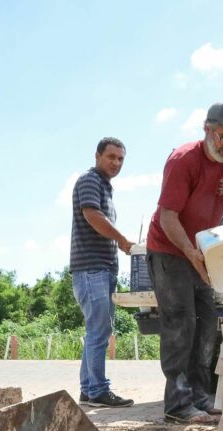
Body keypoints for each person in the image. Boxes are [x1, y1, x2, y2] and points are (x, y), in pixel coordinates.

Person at [146, 101, 223, 424]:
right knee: (181, 321)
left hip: (204, 249)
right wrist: (191, 253)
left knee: (206, 322)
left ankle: (200, 396)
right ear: (207, 129)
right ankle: (177, 404)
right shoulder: (184, 160)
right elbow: (168, 218)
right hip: (170, 249)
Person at [70, 137, 135, 407]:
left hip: (101, 270)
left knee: (98, 329)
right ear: (97, 156)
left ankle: (89, 389)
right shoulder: (90, 180)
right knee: (99, 330)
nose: (116, 163)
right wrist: (122, 240)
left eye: (120, 159)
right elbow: (92, 216)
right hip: (91, 269)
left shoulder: (105, 187)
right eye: (111, 157)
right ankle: (97, 390)